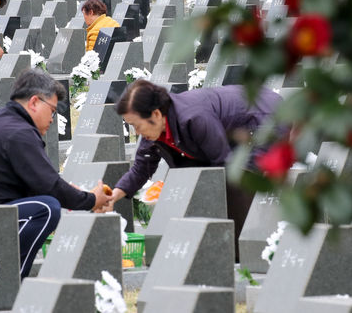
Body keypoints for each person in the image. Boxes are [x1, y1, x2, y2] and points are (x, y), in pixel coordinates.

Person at [0, 68, 110, 277]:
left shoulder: (2, 121)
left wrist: (72, 193)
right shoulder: (19, 132)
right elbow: (50, 186)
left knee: (46, 202)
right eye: (52, 111)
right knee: (46, 208)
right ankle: (9, 281)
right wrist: (91, 200)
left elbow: (38, 182)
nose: (52, 119)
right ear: (34, 102)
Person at [106, 79, 284, 259]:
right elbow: (141, 168)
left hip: (263, 117)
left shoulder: (194, 117)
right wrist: (113, 196)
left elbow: (222, 164)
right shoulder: (151, 132)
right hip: (232, 130)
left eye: (136, 125)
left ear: (156, 114)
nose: (137, 132)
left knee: (241, 181)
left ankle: (248, 254)